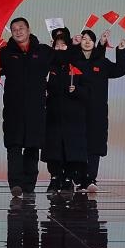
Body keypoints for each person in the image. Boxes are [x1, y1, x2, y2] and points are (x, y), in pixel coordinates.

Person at [0, 17, 56, 198]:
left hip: (36, 108)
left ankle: (29, 185)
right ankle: (16, 184)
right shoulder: (5, 53)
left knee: (33, 146)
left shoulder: (43, 51)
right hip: (13, 108)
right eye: (14, 29)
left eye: (21, 28)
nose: (18, 31)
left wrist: (72, 45)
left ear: (28, 29)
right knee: (14, 145)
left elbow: (63, 61)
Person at [73, 28, 125, 191]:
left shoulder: (102, 63)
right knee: (77, 144)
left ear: (94, 42)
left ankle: (91, 178)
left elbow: (120, 70)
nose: (87, 42)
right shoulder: (74, 61)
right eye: (84, 39)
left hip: (97, 111)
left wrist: (121, 50)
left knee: (95, 144)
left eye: (90, 39)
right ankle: (79, 179)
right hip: (77, 109)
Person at [42, 33, 89, 193]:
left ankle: (69, 178)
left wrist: (77, 90)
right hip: (53, 116)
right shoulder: (49, 67)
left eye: (63, 45)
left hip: (73, 117)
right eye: (57, 45)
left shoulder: (77, 66)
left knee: (71, 149)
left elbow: (88, 91)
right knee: (54, 150)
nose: (60, 48)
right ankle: (55, 178)